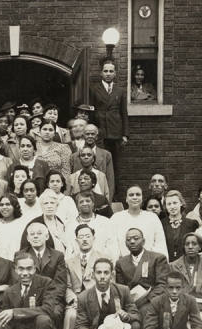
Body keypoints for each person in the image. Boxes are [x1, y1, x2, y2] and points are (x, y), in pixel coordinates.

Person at [59, 224, 112, 329]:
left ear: (94, 238)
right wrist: (74, 298)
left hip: (97, 300)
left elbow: (109, 283)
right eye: (81, 237)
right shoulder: (68, 262)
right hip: (76, 301)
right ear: (76, 240)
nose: (84, 239)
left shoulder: (104, 258)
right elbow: (66, 287)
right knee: (70, 316)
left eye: (87, 236)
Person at [90, 60, 129, 191]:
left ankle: (114, 192)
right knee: (98, 161)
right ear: (101, 72)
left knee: (113, 164)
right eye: (105, 71)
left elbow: (124, 113)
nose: (108, 74)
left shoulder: (120, 91)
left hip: (115, 132)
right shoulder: (94, 89)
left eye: (111, 71)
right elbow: (90, 112)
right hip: (100, 130)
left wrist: (125, 134)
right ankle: (99, 190)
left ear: (115, 73)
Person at [115, 228, 170, 320]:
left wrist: (147, 299)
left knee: (145, 311)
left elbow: (162, 284)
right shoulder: (120, 263)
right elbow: (121, 289)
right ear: (125, 244)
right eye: (128, 239)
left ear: (143, 241)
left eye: (136, 238)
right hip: (131, 303)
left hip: (152, 300)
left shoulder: (158, 258)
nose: (132, 241)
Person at [110, 185, 168, 258]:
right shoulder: (116, 218)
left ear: (142, 198)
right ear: (126, 199)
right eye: (131, 195)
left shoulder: (152, 217)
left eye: (138, 194)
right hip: (124, 264)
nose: (135, 197)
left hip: (148, 263)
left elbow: (160, 244)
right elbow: (113, 245)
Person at [65, 192, 121, 262]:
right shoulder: (70, 225)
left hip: (101, 265)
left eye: (88, 201)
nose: (85, 204)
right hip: (78, 265)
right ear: (77, 205)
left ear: (93, 204)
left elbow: (112, 247)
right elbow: (69, 249)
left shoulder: (106, 222)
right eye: (81, 202)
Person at [20, 190, 74, 256]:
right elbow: (24, 249)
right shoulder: (35, 223)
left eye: (52, 203)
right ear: (41, 206)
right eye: (46, 203)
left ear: (57, 206)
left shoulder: (61, 223)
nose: (49, 206)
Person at [69, 124, 115, 198]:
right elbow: (71, 180)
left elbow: (110, 181)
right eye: (87, 134)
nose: (90, 136)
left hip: (100, 196)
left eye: (92, 134)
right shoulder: (74, 156)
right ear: (83, 135)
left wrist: (108, 204)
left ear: (96, 136)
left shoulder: (106, 155)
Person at [161, 190, 199, 262]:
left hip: (186, 264)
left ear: (181, 203)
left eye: (175, 203)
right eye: (169, 204)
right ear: (165, 206)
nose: (172, 206)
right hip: (166, 264)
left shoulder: (191, 224)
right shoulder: (161, 223)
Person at [170, 232, 202, 299]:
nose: (190, 247)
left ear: (200, 247)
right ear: (184, 247)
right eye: (187, 244)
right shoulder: (173, 266)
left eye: (194, 244)